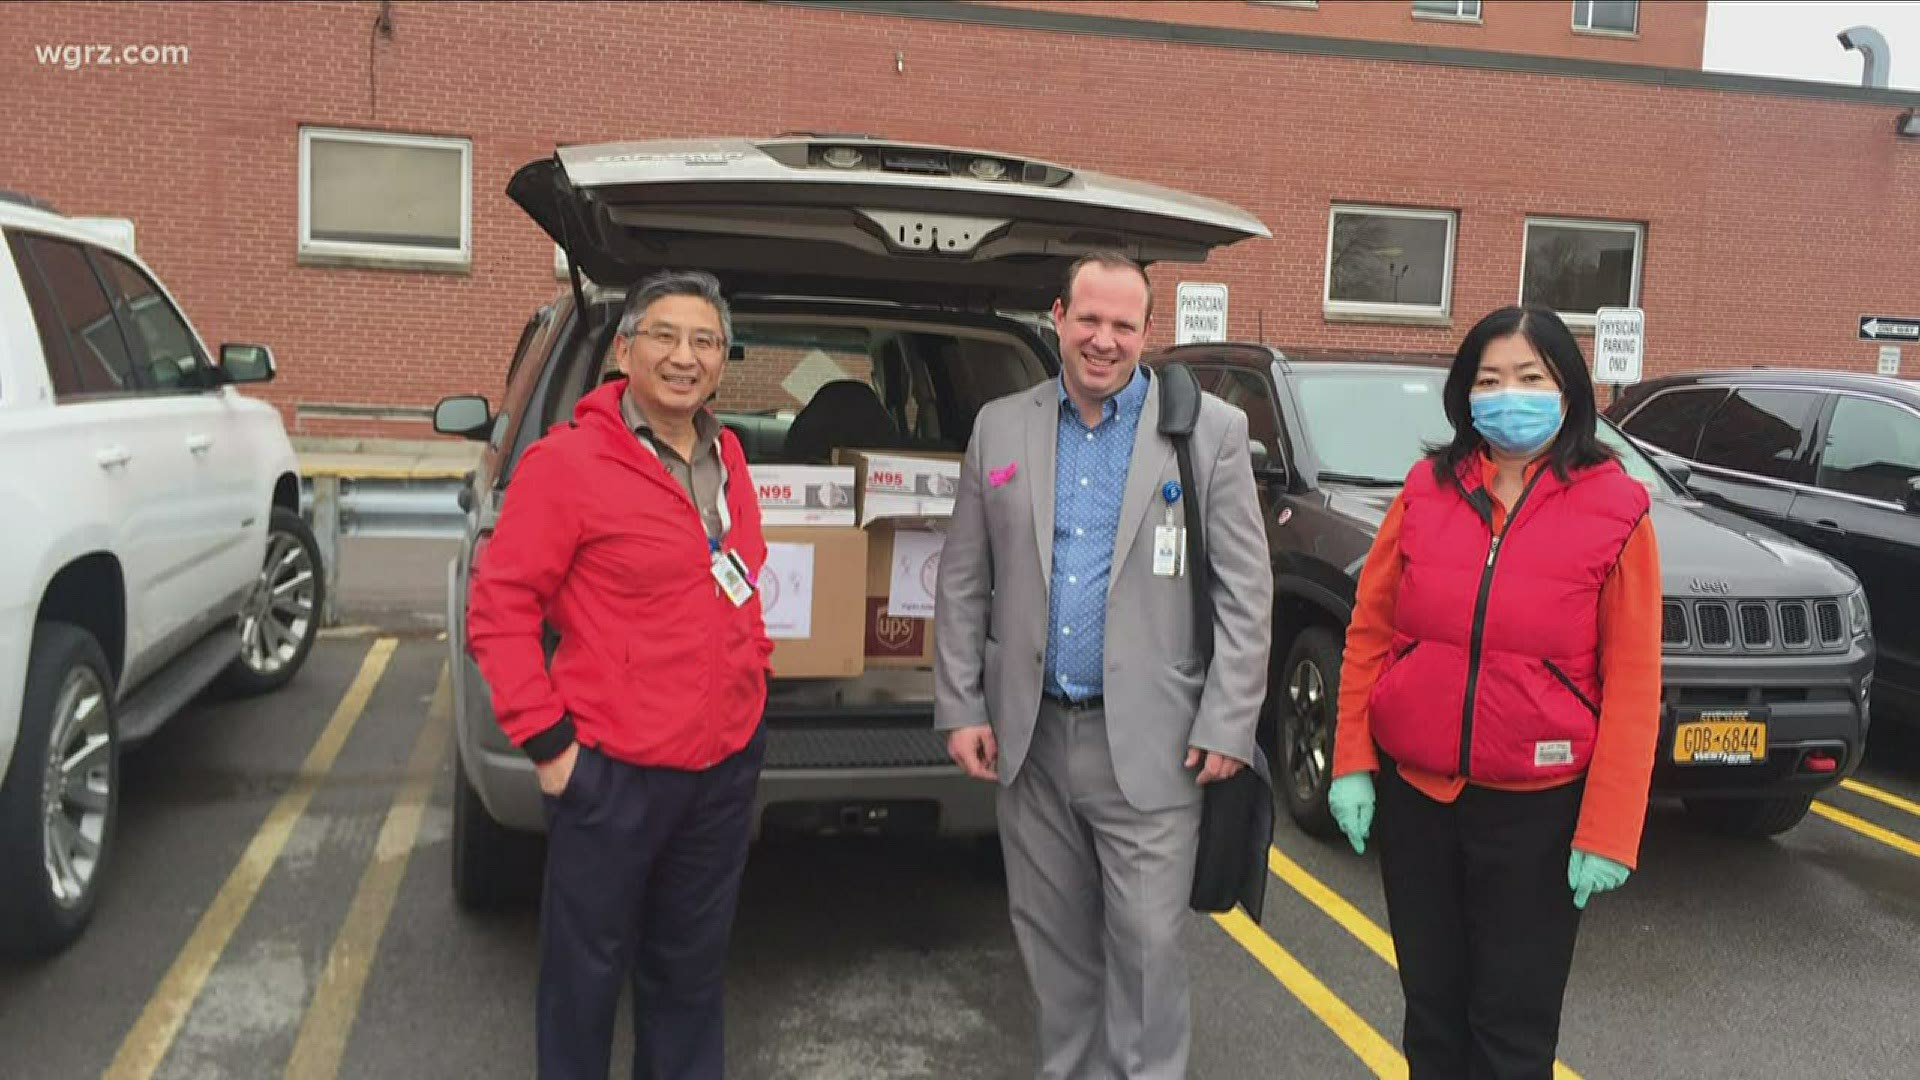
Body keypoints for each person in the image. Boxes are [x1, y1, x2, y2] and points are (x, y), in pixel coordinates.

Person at [934, 252, 1273, 1079]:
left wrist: (1229, 721)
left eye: (1124, 324)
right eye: (1088, 318)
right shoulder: (1001, 427)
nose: (1103, 339)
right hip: (1034, 737)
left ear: (1147, 332)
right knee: (1052, 946)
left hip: (1158, 746)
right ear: (1057, 316)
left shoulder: (1210, 435)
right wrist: (961, 705)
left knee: (1149, 951)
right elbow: (963, 578)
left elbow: (1245, 593)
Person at [1326, 305, 1662, 1079]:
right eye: (1489, 379)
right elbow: (1371, 636)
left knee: (1510, 1037)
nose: (1508, 394)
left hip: (1538, 819)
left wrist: (1609, 828)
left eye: (1530, 377)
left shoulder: (1617, 509)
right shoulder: (1424, 492)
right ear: (1464, 394)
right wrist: (1350, 761)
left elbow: (1636, 682)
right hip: (1420, 807)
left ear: (1569, 391)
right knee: (1433, 1023)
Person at [466, 270, 773, 1080]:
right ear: (626, 348)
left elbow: (739, 588)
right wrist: (551, 747)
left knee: (690, 980)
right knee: (584, 983)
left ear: (721, 359)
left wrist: (752, 690)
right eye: (665, 337)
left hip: (720, 771)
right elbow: (499, 610)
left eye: (704, 341)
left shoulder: (729, 455)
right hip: (611, 774)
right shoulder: (566, 463)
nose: (685, 357)